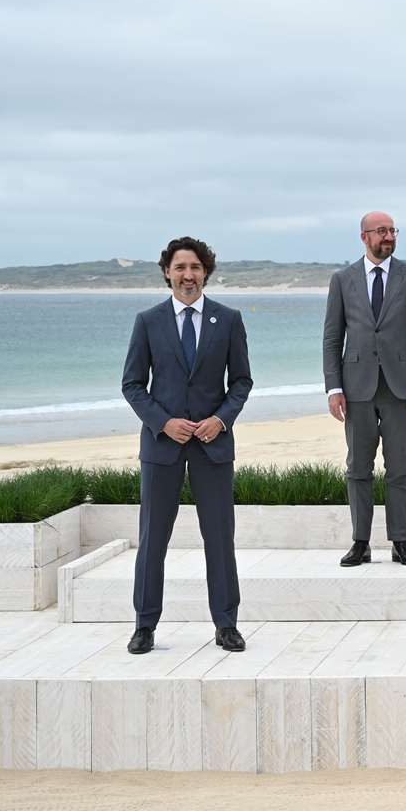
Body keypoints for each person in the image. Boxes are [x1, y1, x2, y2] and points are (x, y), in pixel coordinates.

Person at [120, 236, 253, 655]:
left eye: (195, 267)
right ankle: (144, 626)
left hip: (213, 447)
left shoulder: (228, 320)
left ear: (205, 272)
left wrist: (220, 420)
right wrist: (164, 422)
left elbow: (242, 382)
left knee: (219, 539)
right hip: (162, 448)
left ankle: (227, 625)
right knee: (153, 539)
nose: (188, 275)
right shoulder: (148, 321)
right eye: (180, 268)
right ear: (167, 273)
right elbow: (132, 384)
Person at [322, 211, 406, 568]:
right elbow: (332, 337)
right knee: (357, 467)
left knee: (400, 466)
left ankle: (401, 541)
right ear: (364, 236)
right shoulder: (342, 279)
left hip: (400, 387)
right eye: (381, 231)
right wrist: (333, 388)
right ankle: (360, 542)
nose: (388, 236)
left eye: (392, 230)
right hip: (356, 388)